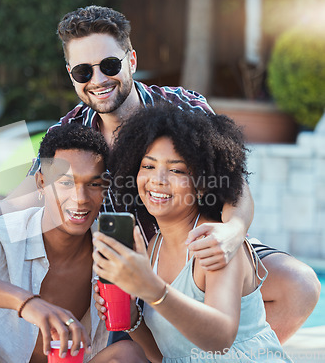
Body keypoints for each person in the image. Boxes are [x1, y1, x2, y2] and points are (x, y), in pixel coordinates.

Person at [0, 5, 320, 343]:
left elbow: (234, 187)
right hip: (123, 271)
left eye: (110, 65)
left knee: (299, 286)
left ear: (131, 60)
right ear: (71, 75)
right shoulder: (70, 133)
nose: (98, 80)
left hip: (196, 254)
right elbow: (28, 200)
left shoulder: (182, 107)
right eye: (84, 71)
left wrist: (232, 232)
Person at [0, 124, 148, 363]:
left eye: (93, 184)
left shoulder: (110, 253)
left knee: (129, 354)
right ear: (41, 183)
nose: (80, 198)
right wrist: (27, 303)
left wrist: (130, 311)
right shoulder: (8, 233)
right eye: (65, 183)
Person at [93, 102, 293, 362]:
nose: (158, 180)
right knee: (119, 354)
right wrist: (132, 316)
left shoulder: (215, 244)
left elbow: (220, 339)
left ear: (202, 184)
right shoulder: (154, 247)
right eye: (148, 166)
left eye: (176, 170)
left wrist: (151, 288)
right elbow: (166, 355)